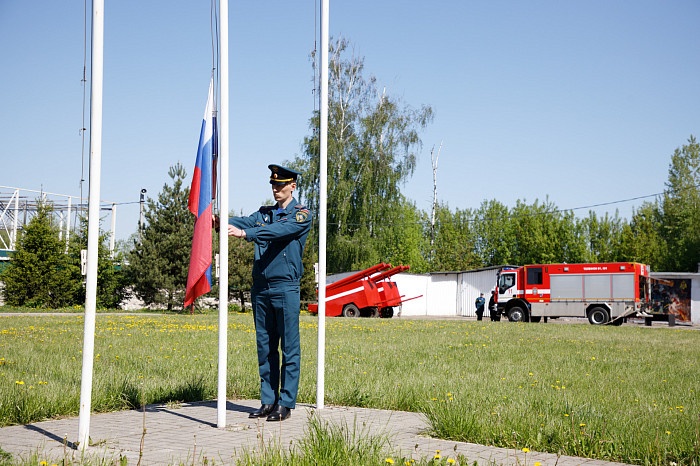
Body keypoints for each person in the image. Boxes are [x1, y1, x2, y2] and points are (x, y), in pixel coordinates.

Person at [225, 164, 312, 422]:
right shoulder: (264, 214)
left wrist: (246, 234)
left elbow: (278, 232)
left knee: (289, 348)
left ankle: (285, 403)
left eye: (281, 185)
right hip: (261, 288)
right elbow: (242, 221)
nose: (276, 189)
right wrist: (218, 220)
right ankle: (268, 400)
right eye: (273, 185)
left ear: (292, 186)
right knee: (265, 347)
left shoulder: (301, 215)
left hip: (285, 287)